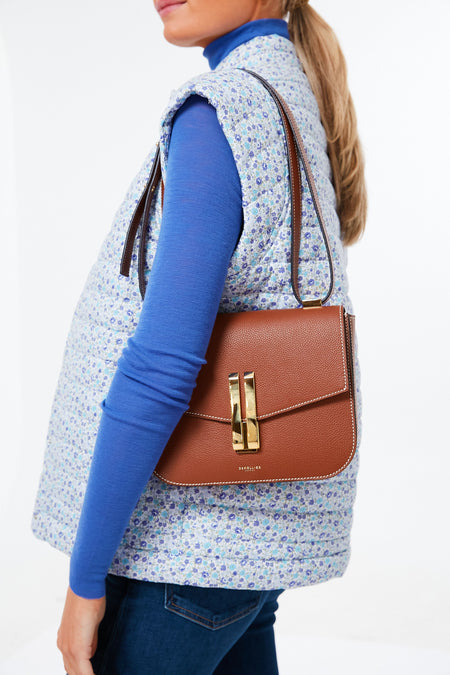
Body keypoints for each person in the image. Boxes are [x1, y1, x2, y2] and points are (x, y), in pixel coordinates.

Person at [31, 0, 367, 673]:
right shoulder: (291, 87)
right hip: (246, 556)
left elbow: (162, 363)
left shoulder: (219, 111)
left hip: (179, 553)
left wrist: (85, 578)